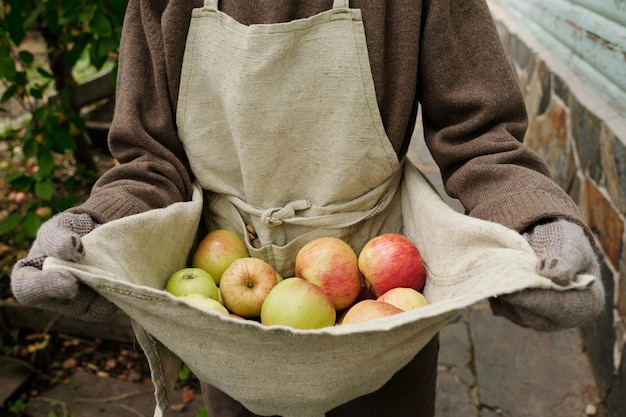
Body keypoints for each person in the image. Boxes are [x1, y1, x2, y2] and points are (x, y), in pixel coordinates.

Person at [11, 1, 605, 416]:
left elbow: (481, 135)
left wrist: (535, 220)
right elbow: (148, 157)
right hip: (231, 320)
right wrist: (94, 232)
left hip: (381, 315)